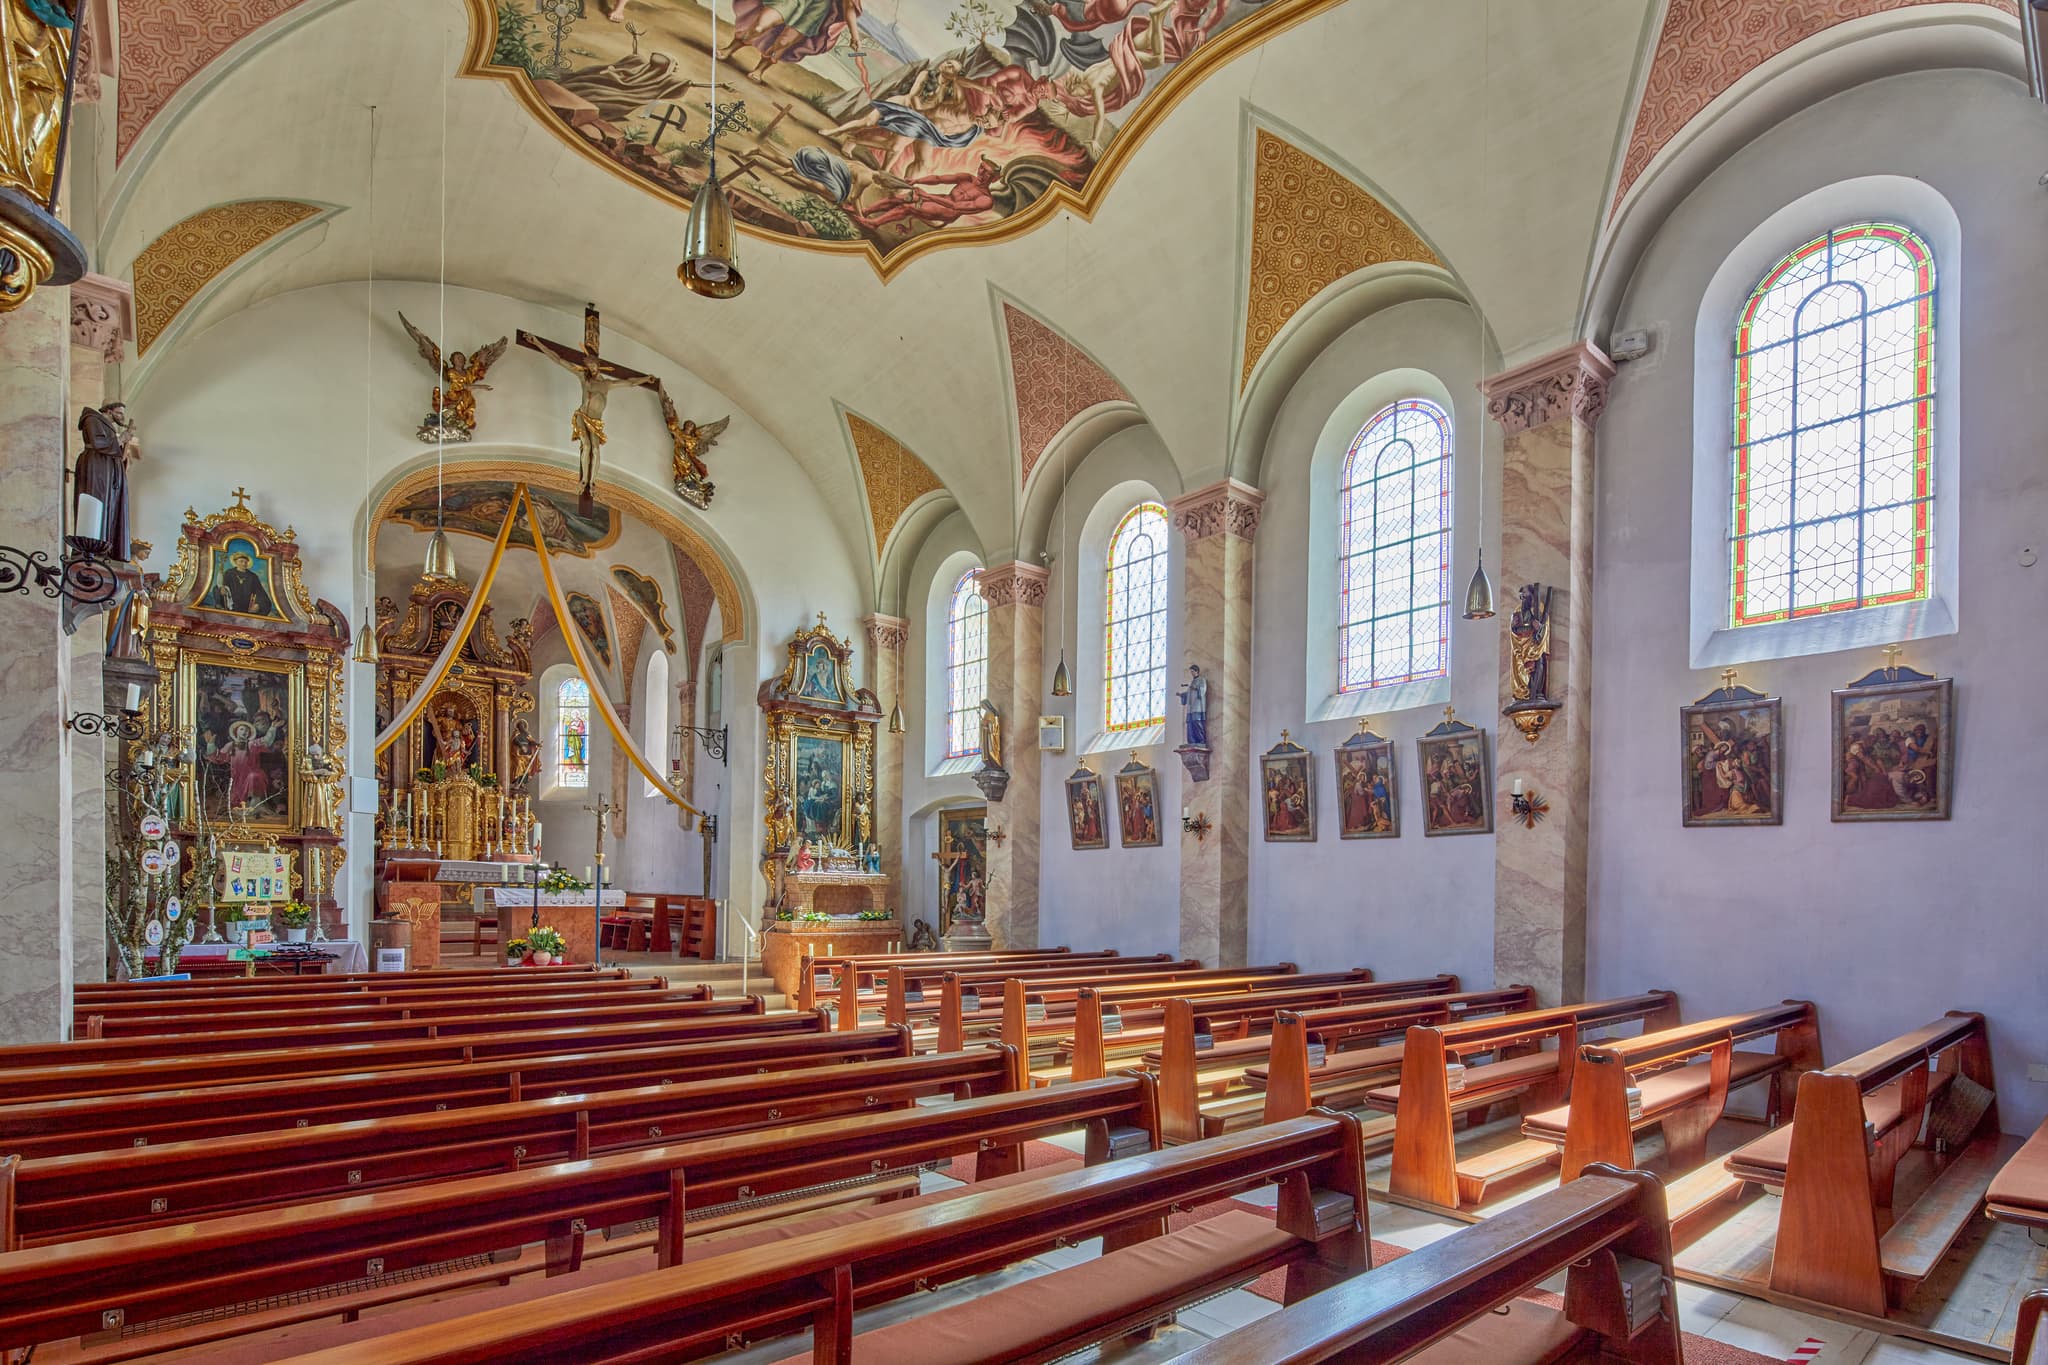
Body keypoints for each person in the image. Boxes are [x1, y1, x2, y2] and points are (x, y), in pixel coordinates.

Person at [74, 403, 140, 560]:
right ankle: (92, 550)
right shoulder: (92, 420)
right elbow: (98, 444)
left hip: (109, 470)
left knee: (110, 508)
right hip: (98, 469)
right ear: (108, 411)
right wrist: (122, 438)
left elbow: (117, 452)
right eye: (119, 413)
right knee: (98, 503)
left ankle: (106, 548)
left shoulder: (108, 426)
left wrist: (125, 440)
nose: (122, 417)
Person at [213, 550, 275, 616]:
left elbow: (260, 592)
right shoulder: (229, 573)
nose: (244, 564)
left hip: (247, 607)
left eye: (245, 562)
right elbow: (223, 585)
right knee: (216, 588)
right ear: (235, 562)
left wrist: (258, 604)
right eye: (241, 561)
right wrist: (222, 588)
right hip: (232, 605)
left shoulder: (253, 576)